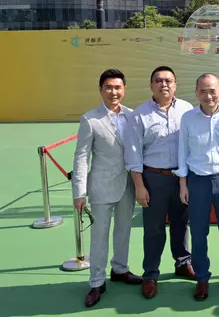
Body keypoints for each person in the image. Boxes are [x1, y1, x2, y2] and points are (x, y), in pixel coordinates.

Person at [72, 69, 143, 307]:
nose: (114, 92)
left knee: (123, 231)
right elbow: (81, 157)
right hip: (101, 186)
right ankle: (96, 282)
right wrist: (79, 192)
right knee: (99, 236)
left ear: (124, 89)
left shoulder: (133, 116)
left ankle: (120, 269)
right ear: (101, 89)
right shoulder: (90, 119)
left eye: (118, 87)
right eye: (109, 87)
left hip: (127, 186)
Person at [124, 66, 195, 299]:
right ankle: (151, 273)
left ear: (175, 84)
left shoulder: (187, 110)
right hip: (153, 178)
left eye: (169, 80)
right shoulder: (139, 115)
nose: (164, 84)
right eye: (158, 80)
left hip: (182, 178)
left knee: (181, 223)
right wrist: (139, 186)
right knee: (154, 229)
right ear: (151, 85)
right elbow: (133, 155)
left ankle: (183, 262)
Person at [175, 74, 219, 301]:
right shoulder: (188, 118)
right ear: (196, 94)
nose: (208, 96)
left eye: (212, 91)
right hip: (198, 180)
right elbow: (182, 151)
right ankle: (202, 278)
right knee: (199, 232)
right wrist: (183, 183)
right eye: (203, 91)